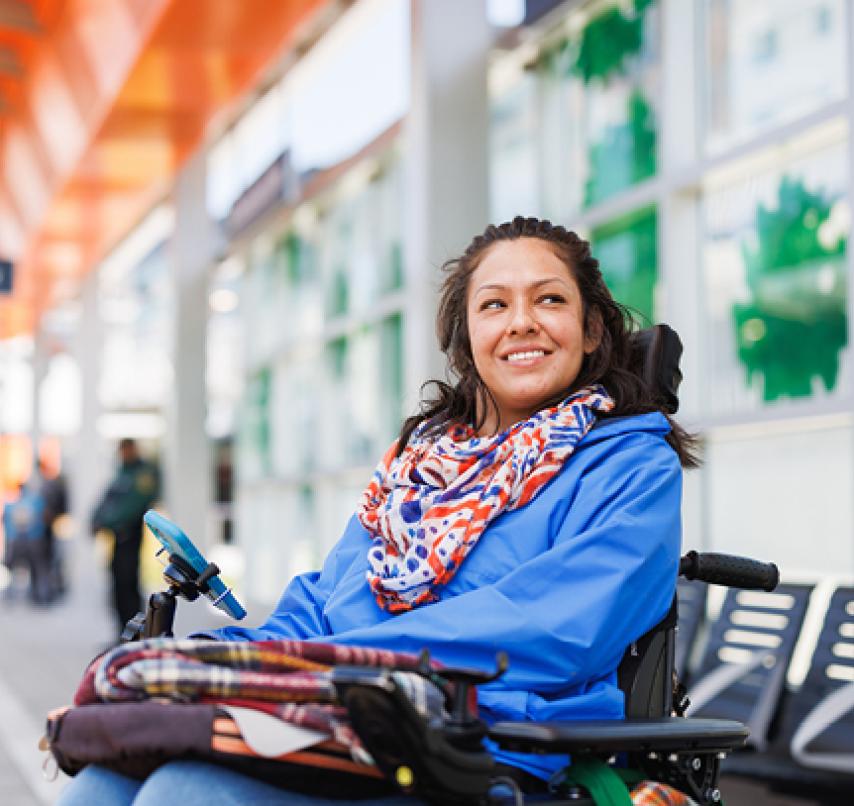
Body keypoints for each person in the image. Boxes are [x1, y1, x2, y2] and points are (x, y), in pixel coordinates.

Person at [59, 217, 697, 805]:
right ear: (467, 339)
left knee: (188, 790)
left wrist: (341, 665)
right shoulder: (418, 471)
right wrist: (223, 655)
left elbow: (559, 629)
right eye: (494, 304)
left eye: (550, 299)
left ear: (590, 331)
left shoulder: (630, 465)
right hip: (347, 711)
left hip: (486, 745)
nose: (522, 321)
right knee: (103, 778)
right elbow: (322, 606)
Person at [90, 438, 160, 638]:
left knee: (129, 585)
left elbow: (134, 505)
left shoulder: (143, 473)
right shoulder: (122, 473)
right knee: (117, 587)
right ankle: (122, 632)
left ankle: (137, 634)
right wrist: (96, 520)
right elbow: (106, 499)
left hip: (130, 536)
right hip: (117, 539)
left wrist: (108, 522)